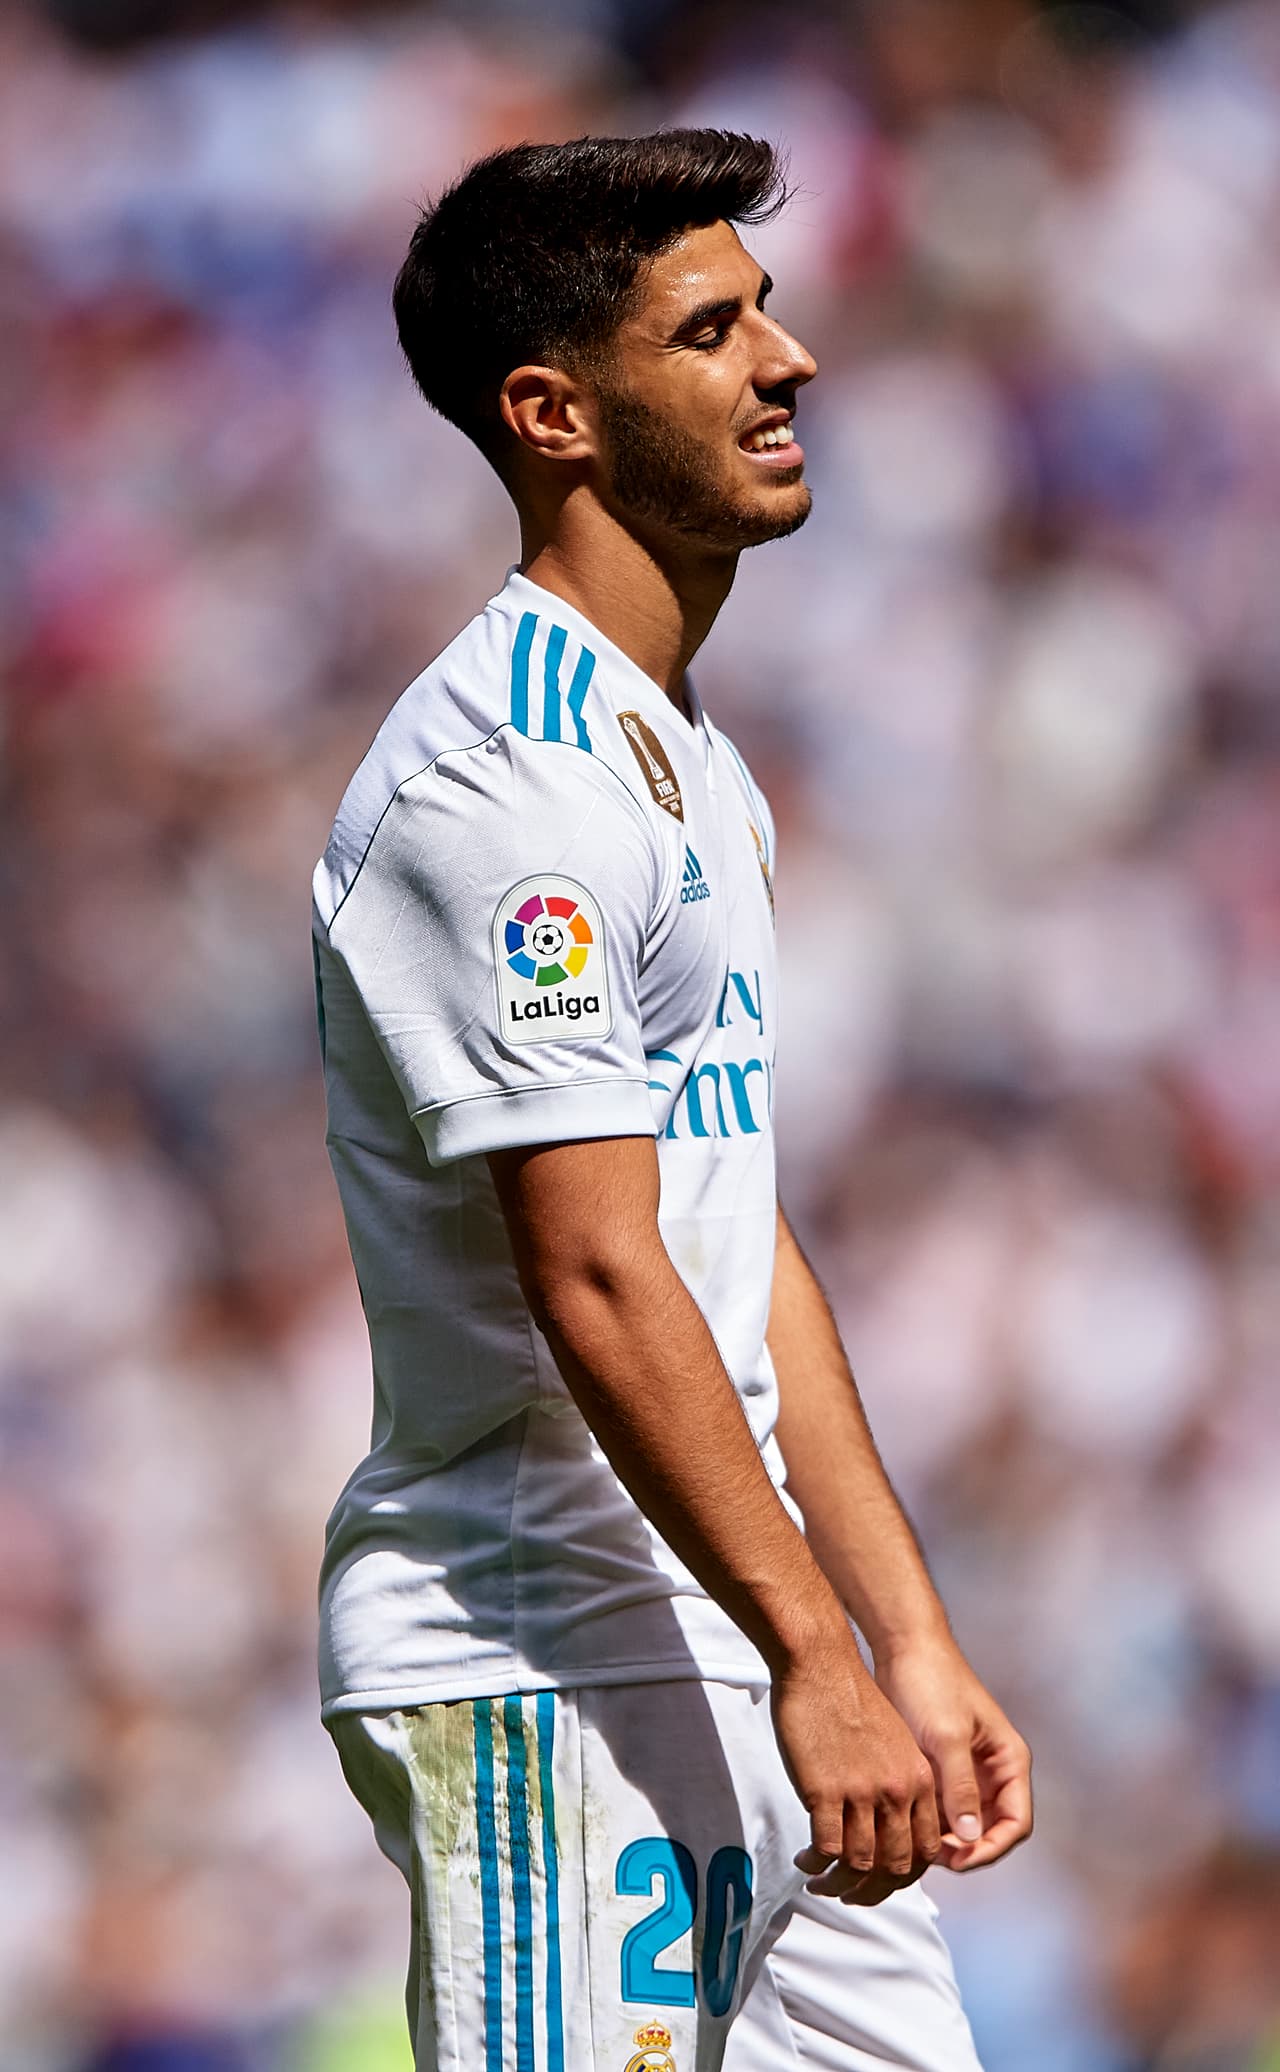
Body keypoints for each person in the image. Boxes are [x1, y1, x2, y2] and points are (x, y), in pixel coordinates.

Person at [312, 129, 1031, 2072]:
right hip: (551, 1651)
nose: (786, 362)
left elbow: (733, 1230)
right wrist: (816, 1650)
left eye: (765, 312)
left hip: (724, 1626)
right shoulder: (508, 794)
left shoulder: (681, 760)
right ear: (552, 411)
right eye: (712, 328)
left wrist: (906, 1636)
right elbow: (602, 1275)